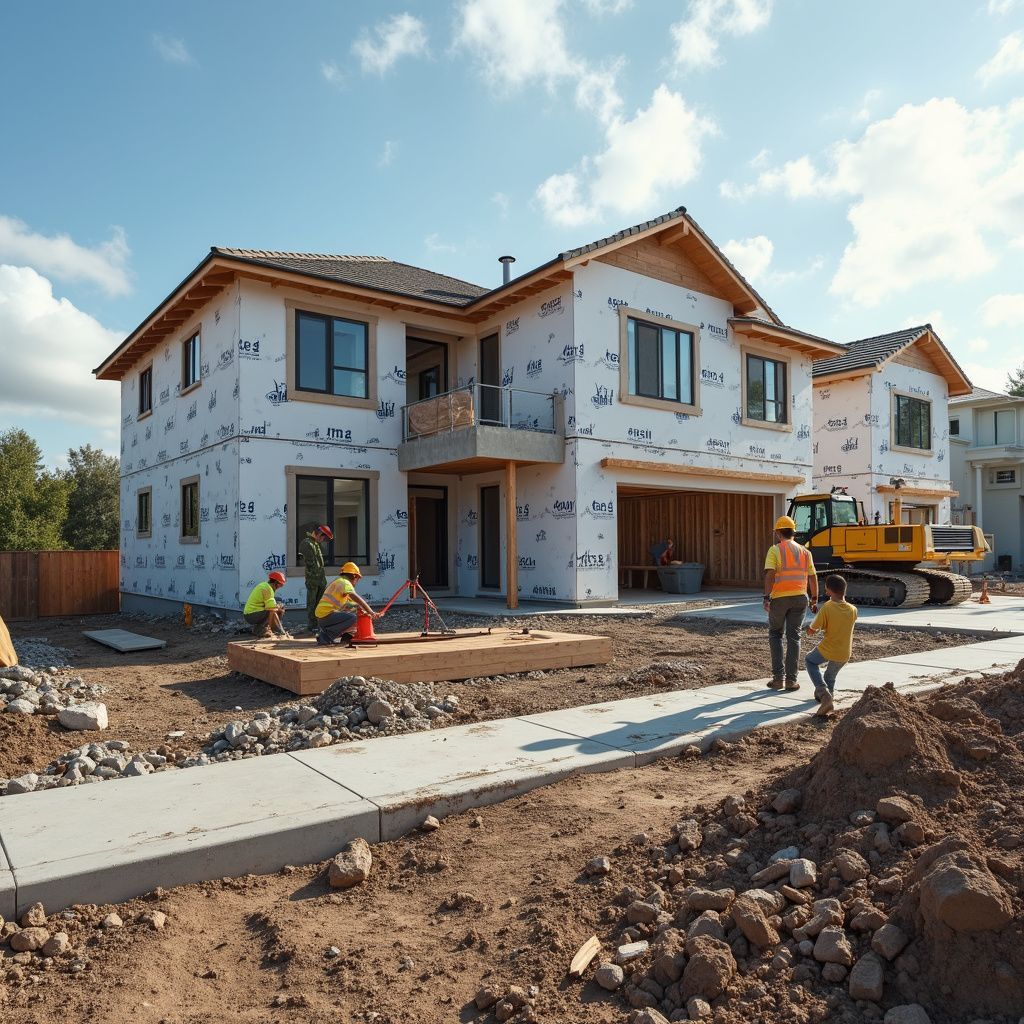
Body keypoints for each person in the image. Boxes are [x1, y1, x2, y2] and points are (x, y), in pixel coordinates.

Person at [763, 514, 818, 691]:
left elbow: (770, 575)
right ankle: (791, 681)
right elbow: (812, 576)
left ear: (778, 533)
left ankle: (778, 679)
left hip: (779, 598)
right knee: (794, 637)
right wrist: (815, 598)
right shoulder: (805, 552)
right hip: (800, 598)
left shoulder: (775, 550)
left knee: (775, 634)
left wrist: (766, 596)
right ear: (793, 532)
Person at [805, 574, 858, 717]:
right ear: (844, 590)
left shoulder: (827, 607)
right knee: (830, 677)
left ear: (828, 590)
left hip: (828, 650)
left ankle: (822, 691)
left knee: (810, 660)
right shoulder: (853, 610)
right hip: (844, 653)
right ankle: (827, 700)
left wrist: (807, 630)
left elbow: (812, 630)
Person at [315, 562, 380, 645]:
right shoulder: (345, 583)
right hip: (327, 616)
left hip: (322, 617)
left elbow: (353, 604)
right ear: (354, 576)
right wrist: (371, 612)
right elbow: (356, 598)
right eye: (358, 579)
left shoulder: (338, 582)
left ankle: (344, 637)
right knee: (353, 618)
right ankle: (326, 637)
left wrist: (363, 610)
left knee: (352, 613)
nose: (357, 582)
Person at [299, 525, 333, 633]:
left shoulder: (315, 544)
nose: (323, 540)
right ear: (318, 534)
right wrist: (315, 578)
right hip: (313, 579)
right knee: (312, 603)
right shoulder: (307, 543)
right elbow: (310, 564)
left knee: (320, 603)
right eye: (323, 537)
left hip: (320, 579)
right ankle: (312, 625)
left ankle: (319, 624)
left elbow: (319, 564)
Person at [243, 571, 289, 639]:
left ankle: (259, 629)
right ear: (276, 583)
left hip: (251, 613)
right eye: (280, 585)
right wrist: (279, 606)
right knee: (273, 611)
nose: (280, 587)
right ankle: (275, 632)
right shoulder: (267, 589)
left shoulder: (265, 585)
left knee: (278, 607)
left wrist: (278, 606)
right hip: (251, 615)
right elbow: (271, 608)